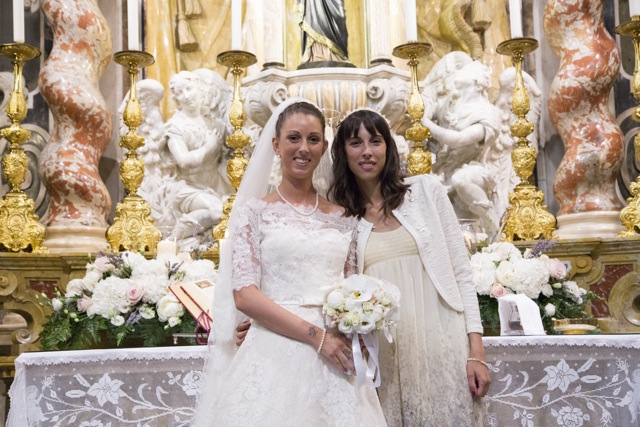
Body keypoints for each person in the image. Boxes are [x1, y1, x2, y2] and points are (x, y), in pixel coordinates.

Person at [191, 99, 387, 426]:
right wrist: (317, 337)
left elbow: (352, 289)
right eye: (294, 138)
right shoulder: (254, 213)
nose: (303, 148)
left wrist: (358, 329)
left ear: (324, 147)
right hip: (274, 348)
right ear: (276, 145)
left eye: (313, 139)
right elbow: (245, 295)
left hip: (337, 355)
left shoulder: (343, 218)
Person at [330, 109, 491, 426]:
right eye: (356, 143)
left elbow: (461, 273)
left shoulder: (426, 191)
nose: (367, 151)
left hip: (442, 339)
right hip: (386, 354)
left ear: (388, 147)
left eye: (375, 141)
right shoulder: (342, 218)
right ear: (343, 153)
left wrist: (477, 352)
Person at [162, 71, 232, 244]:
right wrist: (208, 147)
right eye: (180, 93)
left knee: (232, 211)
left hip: (218, 186)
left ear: (199, 89)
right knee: (219, 210)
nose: (186, 96)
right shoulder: (175, 127)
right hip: (189, 189)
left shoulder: (214, 123)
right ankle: (174, 239)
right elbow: (184, 161)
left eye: (189, 89)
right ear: (176, 99)